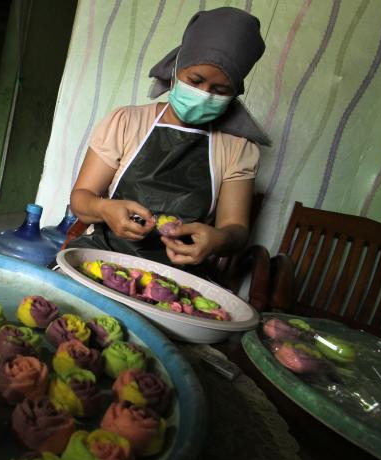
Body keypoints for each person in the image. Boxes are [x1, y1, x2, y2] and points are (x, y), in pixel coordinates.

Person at [68, 7, 269, 270]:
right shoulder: (127, 123)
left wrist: (217, 239)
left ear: (234, 93)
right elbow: (81, 199)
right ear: (176, 70)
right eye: (195, 81)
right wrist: (105, 209)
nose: (204, 94)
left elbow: (236, 230)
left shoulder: (237, 148)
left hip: (178, 273)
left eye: (220, 90)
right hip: (104, 256)